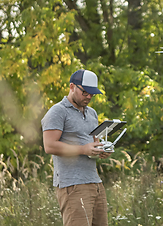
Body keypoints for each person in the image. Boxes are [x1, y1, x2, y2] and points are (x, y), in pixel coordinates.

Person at [41, 69, 111, 226]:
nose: (88, 97)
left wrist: (101, 150)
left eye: (92, 94)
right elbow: (49, 145)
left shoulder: (92, 113)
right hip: (72, 185)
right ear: (72, 86)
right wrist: (83, 149)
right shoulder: (58, 111)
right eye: (85, 92)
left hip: (95, 182)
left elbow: (92, 143)